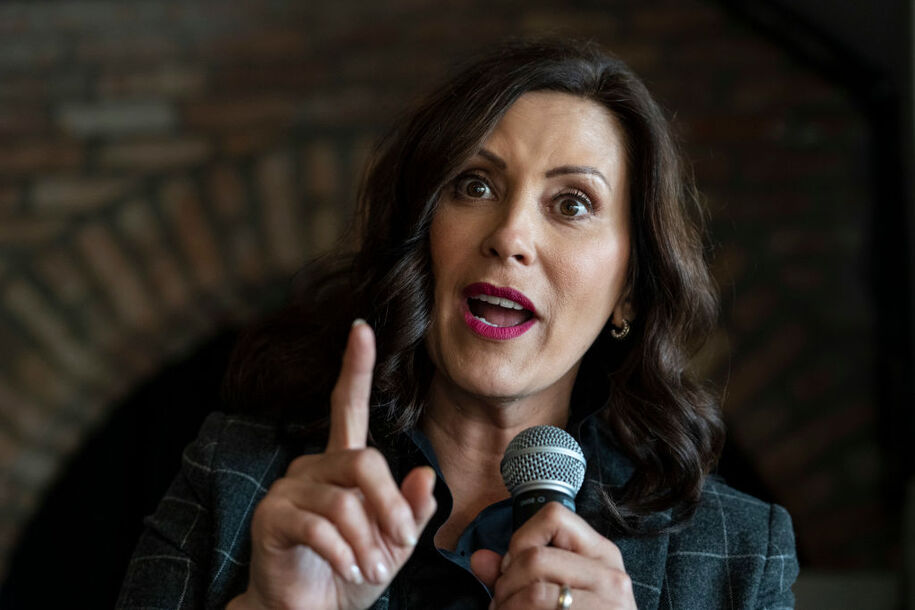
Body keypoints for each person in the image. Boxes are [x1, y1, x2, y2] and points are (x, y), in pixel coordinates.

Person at [117, 39, 798, 609]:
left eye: (571, 204)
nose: (510, 235)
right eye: (475, 185)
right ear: (423, 237)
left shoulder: (738, 551)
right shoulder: (235, 475)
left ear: (629, 291)